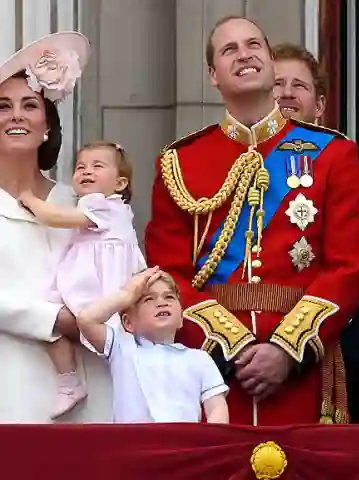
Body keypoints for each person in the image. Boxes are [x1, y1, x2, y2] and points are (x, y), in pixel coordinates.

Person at [145, 15, 359, 426]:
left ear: (270, 61)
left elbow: (348, 267)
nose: (244, 54)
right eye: (229, 49)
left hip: (302, 369)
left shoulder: (333, 154)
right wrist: (230, 347)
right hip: (210, 373)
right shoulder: (179, 162)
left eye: (253, 45)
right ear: (213, 74)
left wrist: (287, 349)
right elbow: (169, 275)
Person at [272, 42, 359, 425]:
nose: (285, 92)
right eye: (276, 83)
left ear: (319, 105)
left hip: (333, 376)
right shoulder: (235, 179)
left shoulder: (356, 181)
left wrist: (322, 365)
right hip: (250, 370)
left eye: (298, 86)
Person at [0, 31, 112, 423]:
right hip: (10, 383)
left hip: (91, 386)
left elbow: (120, 266)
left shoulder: (79, 203)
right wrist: (54, 319)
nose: (16, 115)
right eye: (2, 106)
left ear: (47, 125)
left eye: (29, 105)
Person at [18, 140, 145, 419]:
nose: (86, 171)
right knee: (50, 323)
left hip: (98, 286)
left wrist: (29, 199)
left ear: (120, 183)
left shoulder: (105, 205)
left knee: (59, 323)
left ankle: (71, 381)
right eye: (80, 167)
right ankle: (69, 381)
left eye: (97, 166)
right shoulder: (105, 208)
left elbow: (57, 217)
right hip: (85, 280)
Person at [76, 266, 229, 423]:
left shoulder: (199, 359)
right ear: (128, 323)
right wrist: (126, 294)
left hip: (182, 445)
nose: (162, 303)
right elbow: (86, 320)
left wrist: (209, 445)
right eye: (149, 299)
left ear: (181, 318)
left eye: (169, 297)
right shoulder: (122, 348)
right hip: (133, 445)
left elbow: (217, 408)